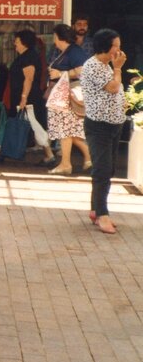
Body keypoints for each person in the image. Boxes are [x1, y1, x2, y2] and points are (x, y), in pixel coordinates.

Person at [80, 29, 127, 235]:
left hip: (114, 124)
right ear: (105, 47)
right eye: (115, 45)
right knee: (102, 170)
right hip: (99, 125)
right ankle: (102, 213)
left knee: (108, 169)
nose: (118, 50)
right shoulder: (94, 66)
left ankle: (95, 209)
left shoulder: (107, 66)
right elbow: (113, 88)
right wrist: (117, 69)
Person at [0, 29, 55, 166]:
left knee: (35, 126)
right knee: (17, 122)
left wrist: (23, 98)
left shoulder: (29, 57)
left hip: (29, 99)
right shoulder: (26, 56)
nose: (14, 43)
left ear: (24, 42)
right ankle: (3, 151)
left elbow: (28, 79)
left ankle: (49, 154)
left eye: (17, 40)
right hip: (25, 98)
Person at [45, 24, 91, 176]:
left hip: (68, 95)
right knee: (70, 132)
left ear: (59, 37)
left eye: (54, 36)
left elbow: (83, 70)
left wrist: (61, 74)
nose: (54, 40)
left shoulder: (74, 51)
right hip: (65, 94)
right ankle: (89, 158)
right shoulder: (66, 51)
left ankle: (66, 164)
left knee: (66, 131)